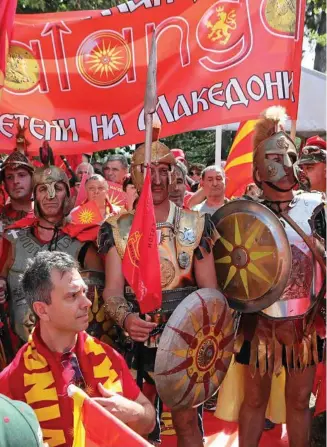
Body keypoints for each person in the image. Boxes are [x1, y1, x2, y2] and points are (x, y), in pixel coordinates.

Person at [98, 139, 219, 447]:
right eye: (149, 170)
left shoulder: (196, 223)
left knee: (187, 423)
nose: (158, 178)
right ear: (135, 176)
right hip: (137, 340)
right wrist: (126, 319)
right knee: (139, 424)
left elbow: (211, 295)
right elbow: (112, 290)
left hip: (187, 340)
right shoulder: (117, 228)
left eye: (164, 170)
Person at [231, 106, 325, 447]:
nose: (286, 164)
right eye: (274, 157)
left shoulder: (316, 207)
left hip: (305, 323)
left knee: (300, 402)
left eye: (290, 155)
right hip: (259, 323)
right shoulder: (244, 211)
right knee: (254, 400)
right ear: (258, 169)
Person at [0, 251, 155, 447]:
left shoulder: (108, 356)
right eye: (73, 296)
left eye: (84, 292)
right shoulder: (14, 378)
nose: (88, 303)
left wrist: (133, 412)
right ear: (42, 310)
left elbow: (148, 421)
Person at [0, 165, 103, 343]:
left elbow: (97, 306)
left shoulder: (83, 243)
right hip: (18, 350)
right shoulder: (12, 239)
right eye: (43, 189)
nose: (50, 195)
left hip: (67, 352)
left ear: (68, 196)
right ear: (35, 195)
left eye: (58, 188)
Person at [0, 152, 34, 226]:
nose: (15, 181)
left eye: (21, 175)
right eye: (9, 177)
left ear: (33, 179)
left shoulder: (47, 216)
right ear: (5, 183)